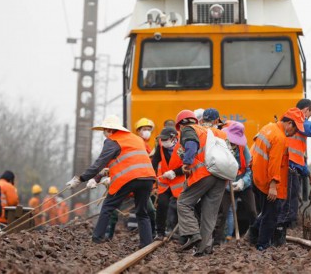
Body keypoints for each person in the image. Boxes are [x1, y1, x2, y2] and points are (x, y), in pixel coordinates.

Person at [66, 115, 156, 248]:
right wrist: (98, 178)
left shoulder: (113, 141)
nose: (104, 133)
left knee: (108, 207)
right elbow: (125, 160)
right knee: (142, 212)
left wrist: (81, 178)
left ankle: (97, 239)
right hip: (148, 178)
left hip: (129, 179)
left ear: (109, 130)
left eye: (104, 130)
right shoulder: (136, 139)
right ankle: (146, 243)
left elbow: (99, 163)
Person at [248, 107, 304, 251]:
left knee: (266, 212)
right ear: (290, 123)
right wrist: (273, 186)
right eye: (296, 129)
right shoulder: (279, 138)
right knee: (271, 215)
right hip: (267, 183)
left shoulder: (268, 128)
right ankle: (262, 245)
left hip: (257, 177)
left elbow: (254, 147)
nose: (295, 133)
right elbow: (275, 163)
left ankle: (253, 236)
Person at [176, 109, 227, 256]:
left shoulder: (189, 129)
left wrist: (186, 162)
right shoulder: (215, 133)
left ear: (180, 125)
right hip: (221, 175)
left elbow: (191, 146)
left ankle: (193, 234)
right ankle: (204, 248)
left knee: (183, 203)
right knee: (209, 214)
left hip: (204, 174)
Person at [276, 99, 311, 244]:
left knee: (287, 207)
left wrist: (309, 174)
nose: (308, 120)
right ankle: (276, 237)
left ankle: (277, 237)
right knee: (288, 208)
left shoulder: (293, 123)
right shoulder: (297, 119)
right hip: (289, 169)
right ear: (306, 111)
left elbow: (298, 157)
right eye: (309, 116)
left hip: (292, 168)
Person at [213, 121, 257, 245]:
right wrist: (228, 185)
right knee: (222, 213)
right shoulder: (220, 147)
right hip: (226, 185)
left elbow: (250, 169)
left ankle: (255, 238)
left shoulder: (244, 149)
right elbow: (217, 168)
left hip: (244, 185)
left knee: (252, 211)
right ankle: (216, 242)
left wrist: (243, 182)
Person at [152, 126, 185, 239]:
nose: (163, 141)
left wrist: (176, 172)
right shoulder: (160, 146)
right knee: (162, 205)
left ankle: (183, 233)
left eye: (166, 139)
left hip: (180, 182)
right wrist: (151, 176)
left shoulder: (184, 145)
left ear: (173, 138)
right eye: (162, 139)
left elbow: (189, 165)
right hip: (165, 182)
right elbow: (155, 161)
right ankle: (160, 232)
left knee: (182, 208)